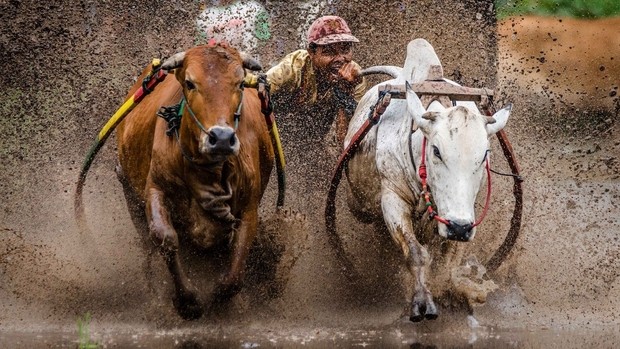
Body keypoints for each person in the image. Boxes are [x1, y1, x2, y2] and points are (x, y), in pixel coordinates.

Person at [265, 15, 367, 147]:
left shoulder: (355, 77)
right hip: (274, 137)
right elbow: (255, 94)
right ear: (311, 53)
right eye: (329, 52)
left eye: (345, 50)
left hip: (313, 143)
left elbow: (345, 143)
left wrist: (346, 92)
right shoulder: (292, 69)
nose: (340, 59)